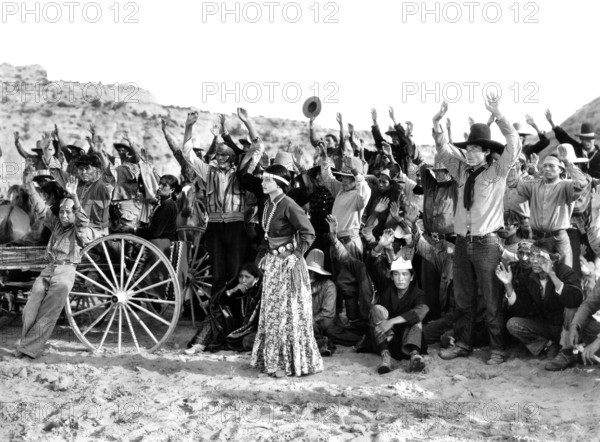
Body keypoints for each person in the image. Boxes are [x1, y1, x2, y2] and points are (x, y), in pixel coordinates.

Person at [433, 95, 521, 365]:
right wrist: (437, 124)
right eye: (468, 148)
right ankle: (463, 344)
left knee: (492, 298)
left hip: (487, 243)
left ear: (485, 152)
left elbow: (514, 144)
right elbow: (443, 150)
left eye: (475, 149)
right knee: (463, 298)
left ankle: (497, 349)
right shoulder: (461, 172)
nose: (469, 153)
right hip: (462, 243)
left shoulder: (497, 172)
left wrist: (499, 114)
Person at [250, 165, 323, 377]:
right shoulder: (268, 204)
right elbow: (267, 235)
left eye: (267, 180)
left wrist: (297, 254)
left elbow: (308, 232)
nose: (263, 183)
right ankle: (272, 361)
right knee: (272, 312)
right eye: (262, 179)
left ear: (279, 183)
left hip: (288, 263)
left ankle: (287, 363)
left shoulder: (289, 205)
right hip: (274, 262)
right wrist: (265, 253)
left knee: (286, 312)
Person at [14, 177, 90, 359]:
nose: (64, 215)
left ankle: (28, 350)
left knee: (48, 313)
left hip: (65, 272)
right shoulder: (56, 224)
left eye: (68, 212)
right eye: (62, 212)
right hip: (49, 269)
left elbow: (82, 219)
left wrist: (73, 195)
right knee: (30, 308)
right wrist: (30, 188)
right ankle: (26, 345)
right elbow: (42, 210)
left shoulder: (78, 230)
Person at [496, 245, 583, 358]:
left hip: (566, 327)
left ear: (553, 259)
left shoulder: (565, 272)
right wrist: (508, 284)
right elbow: (522, 310)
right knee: (513, 324)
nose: (535, 261)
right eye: (532, 256)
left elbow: (575, 300)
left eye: (540, 257)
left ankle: (566, 350)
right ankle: (549, 345)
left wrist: (552, 275)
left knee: (570, 310)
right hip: (546, 326)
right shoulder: (528, 276)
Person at [366, 228, 429, 374]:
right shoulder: (386, 286)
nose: (400, 278)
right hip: (386, 341)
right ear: (392, 276)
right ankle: (385, 358)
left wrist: (392, 321)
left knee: (416, 319)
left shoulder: (417, 293)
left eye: (405, 275)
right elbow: (371, 265)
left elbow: (421, 311)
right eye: (396, 275)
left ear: (411, 277)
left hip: (410, 343)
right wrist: (380, 245)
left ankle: (415, 357)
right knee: (376, 310)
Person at [186, 262, 263, 354]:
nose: (243, 280)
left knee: (248, 341)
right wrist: (233, 291)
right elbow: (219, 301)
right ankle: (199, 344)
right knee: (215, 314)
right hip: (235, 328)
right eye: (241, 276)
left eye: (247, 277)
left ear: (256, 279)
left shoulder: (260, 293)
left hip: (251, 330)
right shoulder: (237, 290)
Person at [306, 249, 337, 356]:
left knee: (325, 325)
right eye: (309, 271)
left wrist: (310, 321)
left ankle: (322, 343)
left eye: (313, 271)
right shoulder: (300, 284)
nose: (311, 274)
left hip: (322, 321)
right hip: (305, 320)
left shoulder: (329, 285)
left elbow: (327, 312)